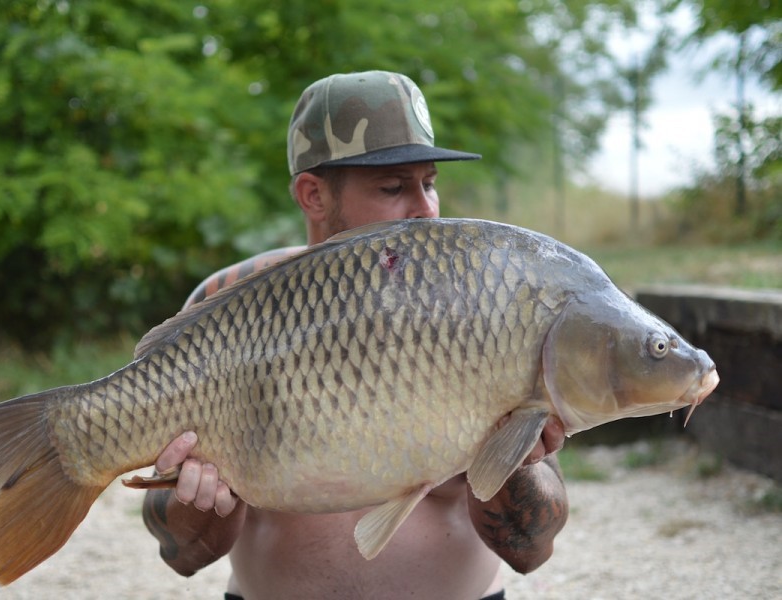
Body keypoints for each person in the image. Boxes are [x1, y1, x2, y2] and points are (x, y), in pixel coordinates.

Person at [142, 70, 568, 600]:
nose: (426, 209)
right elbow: (182, 555)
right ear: (313, 195)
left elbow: (532, 549)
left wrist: (513, 462)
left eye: (429, 182)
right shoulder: (228, 303)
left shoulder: (483, 305)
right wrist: (198, 499)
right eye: (392, 187)